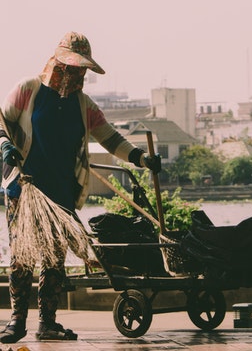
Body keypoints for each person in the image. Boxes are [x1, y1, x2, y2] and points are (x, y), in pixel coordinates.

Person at [0, 31, 161, 343]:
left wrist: (142, 158)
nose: (78, 75)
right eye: (73, 69)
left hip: (60, 192)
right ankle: (17, 320)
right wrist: (5, 145)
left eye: (82, 70)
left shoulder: (84, 106)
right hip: (24, 188)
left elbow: (111, 138)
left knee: (54, 260)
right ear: (58, 66)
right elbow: (0, 121)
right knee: (22, 257)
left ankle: (48, 322)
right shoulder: (28, 90)